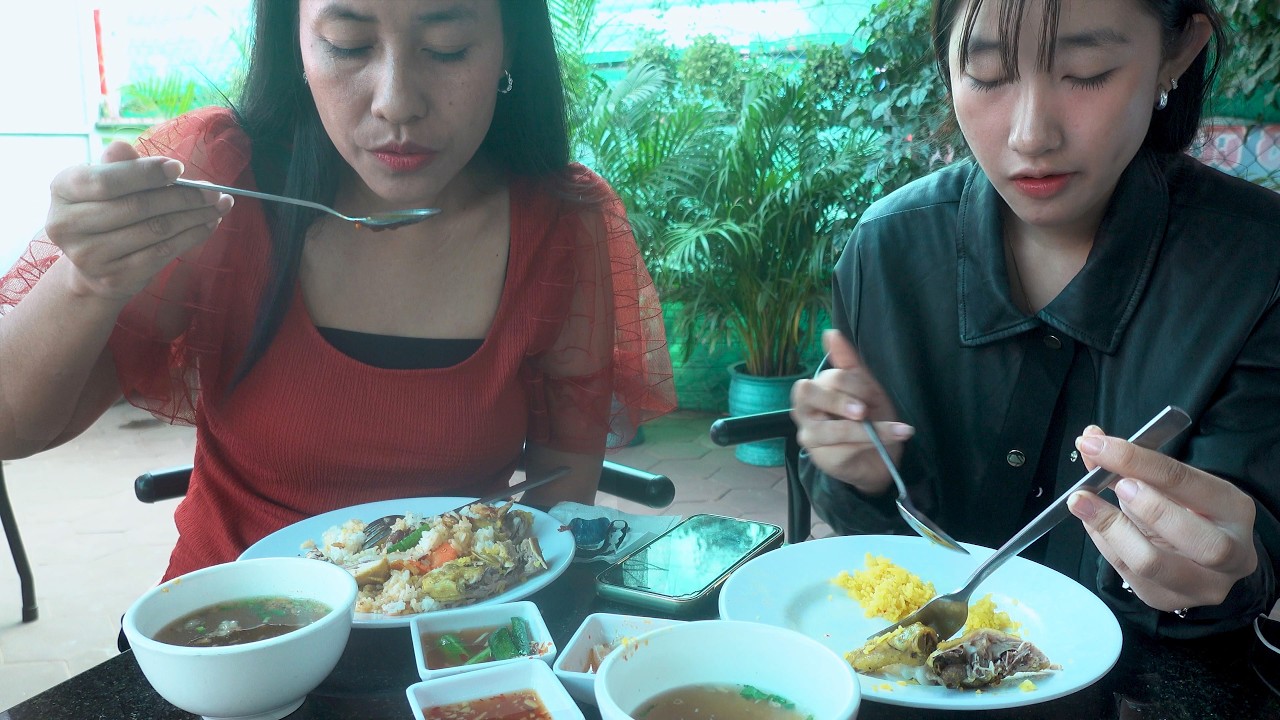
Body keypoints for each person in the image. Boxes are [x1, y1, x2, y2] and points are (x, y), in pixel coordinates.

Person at [0, 0, 675, 582]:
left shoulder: (561, 224)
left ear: (508, 44)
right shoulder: (215, 182)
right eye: (348, 44)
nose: (396, 101)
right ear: (294, 39)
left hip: (445, 637)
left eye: (448, 48)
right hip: (230, 632)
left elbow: (560, 501)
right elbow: (12, 426)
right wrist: (87, 280)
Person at [792, 0, 1279, 638]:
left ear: (1177, 53)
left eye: (1086, 71)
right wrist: (862, 474)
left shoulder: (1259, 265)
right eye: (989, 76)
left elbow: (1255, 546)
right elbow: (868, 550)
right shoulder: (889, 251)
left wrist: (1217, 571)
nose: (1030, 136)